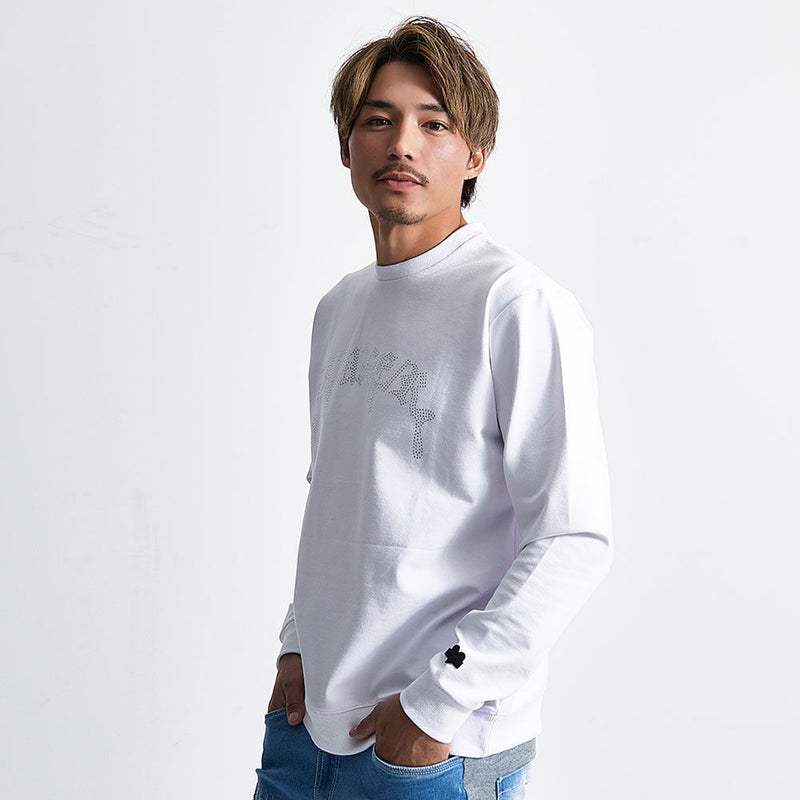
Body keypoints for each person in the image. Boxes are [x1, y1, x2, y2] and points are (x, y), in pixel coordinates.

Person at [253, 15, 614, 800]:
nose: (402, 145)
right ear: (347, 147)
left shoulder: (516, 305)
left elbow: (572, 537)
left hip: (431, 750)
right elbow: (345, 502)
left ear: (475, 154)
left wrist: (437, 704)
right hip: (304, 735)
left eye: (434, 124)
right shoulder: (339, 308)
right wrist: (295, 647)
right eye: (377, 121)